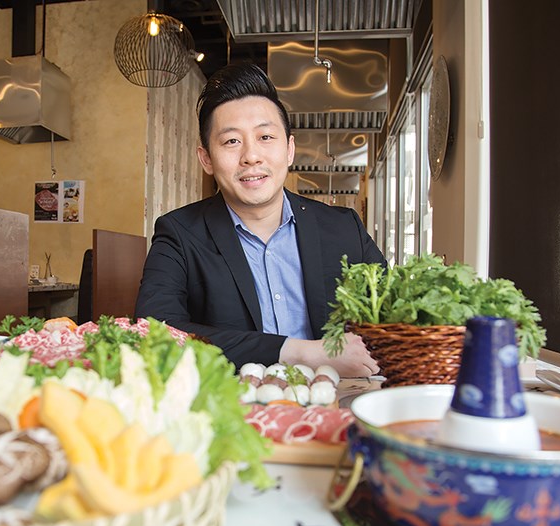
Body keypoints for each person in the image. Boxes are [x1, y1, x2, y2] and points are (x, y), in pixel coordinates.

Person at [134, 63, 387, 377]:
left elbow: (394, 315)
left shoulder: (343, 227)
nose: (251, 156)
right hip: (235, 411)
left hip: (339, 403)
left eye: (266, 136)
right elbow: (153, 331)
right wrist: (301, 352)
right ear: (207, 160)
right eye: (231, 141)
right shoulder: (179, 234)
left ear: (290, 149)